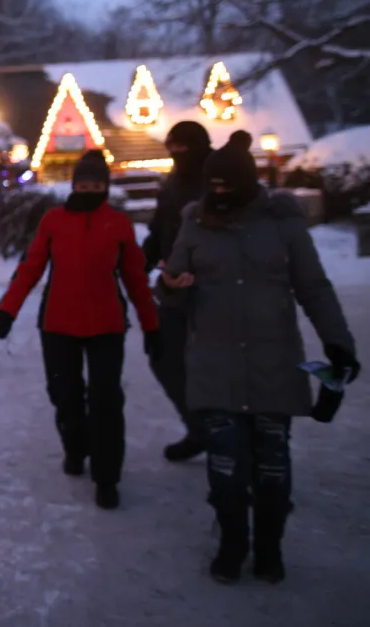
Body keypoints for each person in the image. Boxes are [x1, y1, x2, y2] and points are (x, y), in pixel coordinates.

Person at [162, 130, 358, 585]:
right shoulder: (195, 222)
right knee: (227, 469)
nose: (219, 195)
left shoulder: (282, 224)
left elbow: (313, 288)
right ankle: (233, 543)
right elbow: (172, 284)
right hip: (215, 366)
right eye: (213, 187)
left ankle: (270, 546)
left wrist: (339, 344)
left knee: (272, 467)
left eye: (228, 186)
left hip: (274, 365)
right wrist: (171, 288)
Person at [0, 150, 159, 509]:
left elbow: (135, 279)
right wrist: (8, 309)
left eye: (97, 184)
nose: (89, 189)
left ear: (106, 187)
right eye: (84, 184)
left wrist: (152, 324)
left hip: (106, 325)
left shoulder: (118, 224)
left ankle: (107, 475)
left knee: (106, 402)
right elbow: (31, 268)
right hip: (58, 324)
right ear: (73, 184)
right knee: (64, 395)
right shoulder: (53, 221)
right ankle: (75, 445)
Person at [141, 120, 213, 462]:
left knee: (219, 367)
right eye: (173, 148)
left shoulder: (219, 181)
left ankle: (234, 440)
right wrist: (136, 267)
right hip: (173, 290)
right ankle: (200, 428)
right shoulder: (170, 184)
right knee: (164, 358)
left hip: (216, 291)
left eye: (184, 148)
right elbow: (158, 232)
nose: (178, 154)